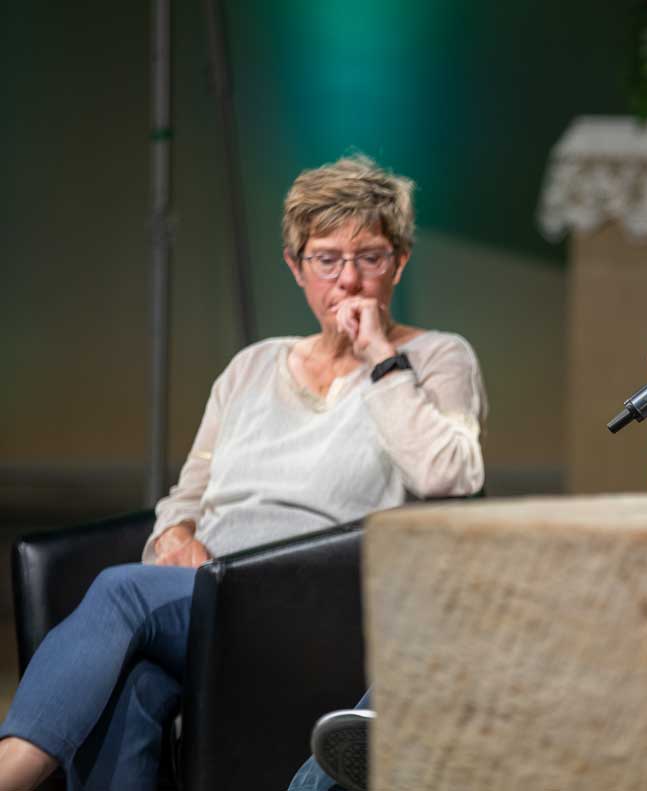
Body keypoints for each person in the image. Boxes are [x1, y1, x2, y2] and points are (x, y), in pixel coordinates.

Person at [0, 154, 487, 790]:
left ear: (399, 261)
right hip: (215, 597)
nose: (348, 280)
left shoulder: (434, 357)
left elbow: (452, 475)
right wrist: (172, 537)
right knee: (138, 676)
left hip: (323, 596)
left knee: (121, 591)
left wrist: (379, 358)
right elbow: (185, 497)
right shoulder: (251, 367)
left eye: (369, 256)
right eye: (326, 259)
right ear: (296, 267)